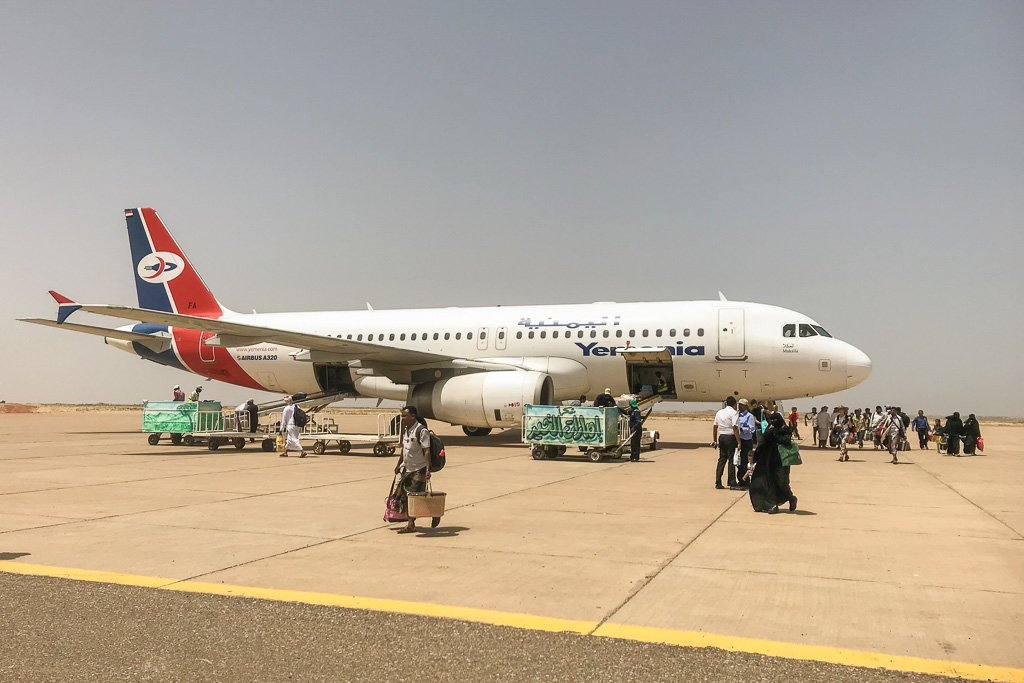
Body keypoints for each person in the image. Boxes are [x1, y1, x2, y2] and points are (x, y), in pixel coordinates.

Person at [393, 405, 439, 532]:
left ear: (413, 416)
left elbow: (427, 452)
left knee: (414, 497)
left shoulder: (421, 431)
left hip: (419, 468)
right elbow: (404, 449)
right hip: (407, 468)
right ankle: (431, 513)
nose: (402, 418)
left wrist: (428, 470)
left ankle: (411, 524)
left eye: (404, 416)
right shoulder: (407, 430)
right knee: (404, 496)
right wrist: (398, 465)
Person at [747, 413, 798, 514]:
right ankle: (771, 505)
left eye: (775, 420)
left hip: (782, 461)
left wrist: (775, 434)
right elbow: (764, 440)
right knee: (769, 483)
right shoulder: (770, 428)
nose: (773, 422)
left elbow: (786, 441)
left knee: (782, 483)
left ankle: (791, 498)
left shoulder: (785, 429)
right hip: (769, 460)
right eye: (772, 420)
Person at [711, 397, 740, 490]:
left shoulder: (719, 412)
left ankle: (718, 481)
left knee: (722, 460)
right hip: (730, 437)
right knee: (731, 460)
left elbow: (715, 426)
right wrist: (739, 441)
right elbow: (735, 427)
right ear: (734, 404)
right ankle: (732, 482)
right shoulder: (734, 413)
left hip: (722, 437)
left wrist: (715, 440)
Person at [737, 399, 756, 488]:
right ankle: (740, 480)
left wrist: (741, 429)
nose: (740, 406)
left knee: (746, 462)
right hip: (739, 441)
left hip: (746, 441)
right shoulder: (737, 416)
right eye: (739, 405)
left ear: (745, 406)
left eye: (742, 405)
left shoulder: (749, 416)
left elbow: (752, 429)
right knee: (739, 461)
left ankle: (746, 481)